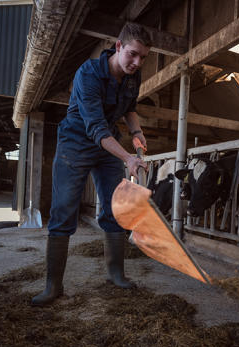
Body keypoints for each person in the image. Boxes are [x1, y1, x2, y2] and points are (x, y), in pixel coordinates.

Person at [32, 22, 152, 306]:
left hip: (108, 142)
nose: (137, 62)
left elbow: (130, 107)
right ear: (119, 46)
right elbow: (96, 128)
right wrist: (127, 157)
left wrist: (136, 132)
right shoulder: (87, 74)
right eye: (133, 54)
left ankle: (115, 274)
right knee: (64, 208)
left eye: (143, 57)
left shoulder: (133, 75)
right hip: (76, 142)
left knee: (115, 207)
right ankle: (53, 286)